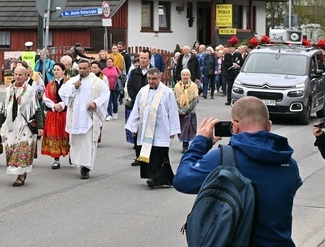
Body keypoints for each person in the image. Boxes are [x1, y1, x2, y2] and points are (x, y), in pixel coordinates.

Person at [174, 97, 302, 246]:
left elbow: (181, 180)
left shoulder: (223, 158)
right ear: (269, 125)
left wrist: (200, 141)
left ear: (234, 126)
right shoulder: (289, 164)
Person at [125, 67, 180, 188]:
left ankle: (154, 178)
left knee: (159, 154)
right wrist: (133, 127)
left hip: (161, 129)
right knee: (148, 153)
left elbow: (173, 111)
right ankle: (154, 177)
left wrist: (173, 129)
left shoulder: (167, 92)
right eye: (149, 79)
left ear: (159, 77)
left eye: (154, 79)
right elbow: (136, 110)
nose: (151, 81)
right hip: (145, 129)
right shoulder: (142, 91)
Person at [59, 60, 109, 179]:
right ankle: (78, 162)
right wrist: (73, 88)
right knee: (76, 142)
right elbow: (62, 92)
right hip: (76, 118)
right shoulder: (73, 80)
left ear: (90, 68)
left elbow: (106, 94)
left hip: (89, 118)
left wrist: (95, 103)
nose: (81, 70)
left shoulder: (97, 82)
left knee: (88, 144)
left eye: (84, 68)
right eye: (80, 68)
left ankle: (86, 168)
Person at [0, 65, 44, 186]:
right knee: (12, 148)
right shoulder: (8, 90)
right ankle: (21, 172)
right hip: (12, 125)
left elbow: (37, 109)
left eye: (20, 74)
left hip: (25, 124)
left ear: (27, 76)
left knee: (22, 149)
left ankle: (21, 175)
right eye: (16, 74)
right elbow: (4, 110)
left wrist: (40, 126)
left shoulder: (30, 91)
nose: (17, 77)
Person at [42, 62, 69, 169]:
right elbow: (45, 97)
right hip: (53, 114)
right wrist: (54, 105)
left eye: (58, 70)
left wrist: (62, 104)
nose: (56, 72)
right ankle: (56, 159)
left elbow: (71, 96)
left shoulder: (69, 83)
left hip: (65, 113)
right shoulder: (50, 84)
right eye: (55, 70)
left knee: (67, 135)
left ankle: (72, 155)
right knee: (54, 135)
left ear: (63, 71)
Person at [125, 50, 150, 160]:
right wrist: (137, 100)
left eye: (145, 58)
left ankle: (147, 154)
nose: (143, 60)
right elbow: (130, 87)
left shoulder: (153, 71)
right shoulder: (134, 72)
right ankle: (137, 155)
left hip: (149, 106)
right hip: (136, 105)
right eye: (141, 58)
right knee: (136, 129)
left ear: (149, 59)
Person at [173, 69, 198, 153]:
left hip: (190, 112)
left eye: (187, 75)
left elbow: (195, 101)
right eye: (184, 75)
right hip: (179, 112)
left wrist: (185, 110)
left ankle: (185, 146)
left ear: (189, 76)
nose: (185, 77)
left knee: (187, 129)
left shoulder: (193, 86)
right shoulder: (177, 86)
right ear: (181, 76)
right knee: (181, 129)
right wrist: (179, 110)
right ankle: (184, 143)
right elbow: (174, 99)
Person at [101, 56, 121, 121]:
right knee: (109, 102)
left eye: (110, 62)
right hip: (107, 88)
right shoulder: (104, 70)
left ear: (113, 63)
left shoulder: (116, 69)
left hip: (115, 88)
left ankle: (115, 112)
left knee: (115, 102)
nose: (109, 63)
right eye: (107, 62)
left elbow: (121, 76)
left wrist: (119, 76)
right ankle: (109, 114)